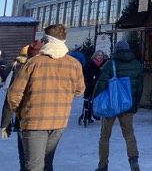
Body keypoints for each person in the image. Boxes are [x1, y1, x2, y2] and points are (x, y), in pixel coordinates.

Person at [7, 24, 85, 171]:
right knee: (47, 164)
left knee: (33, 166)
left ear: (46, 41)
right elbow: (80, 90)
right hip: (59, 120)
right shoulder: (74, 64)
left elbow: (14, 94)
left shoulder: (34, 63)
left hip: (34, 121)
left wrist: (20, 112)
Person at [93, 40, 144, 171]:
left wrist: (95, 101)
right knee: (129, 134)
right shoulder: (137, 65)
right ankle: (133, 160)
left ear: (116, 50)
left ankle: (103, 165)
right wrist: (136, 104)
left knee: (105, 136)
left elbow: (101, 84)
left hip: (110, 105)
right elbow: (139, 87)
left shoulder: (110, 64)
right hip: (127, 105)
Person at [1, 40, 42, 171]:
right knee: (44, 158)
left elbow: (11, 97)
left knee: (26, 156)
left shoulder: (20, 68)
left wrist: (5, 124)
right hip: (51, 120)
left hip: (25, 118)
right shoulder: (50, 67)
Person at [82, 50, 106, 123]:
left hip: (100, 85)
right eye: (98, 55)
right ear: (95, 55)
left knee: (98, 100)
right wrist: (86, 82)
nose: (100, 57)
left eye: (101, 55)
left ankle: (96, 113)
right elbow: (84, 73)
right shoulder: (89, 63)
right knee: (88, 99)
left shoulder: (105, 64)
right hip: (90, 84)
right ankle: (87, 116)